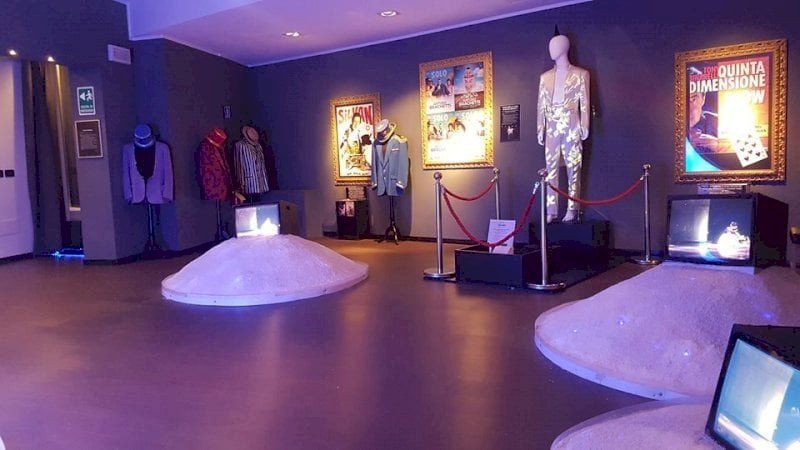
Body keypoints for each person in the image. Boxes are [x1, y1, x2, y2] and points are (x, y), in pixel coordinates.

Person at [536, 32, 591, 223]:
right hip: (552, 124)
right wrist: (540, 127)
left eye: (555, 45)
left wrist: (585, 124)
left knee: (573, 166)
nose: (552, 49)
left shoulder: (580, 74)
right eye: (551, 45)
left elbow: (584, 101)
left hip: (571, 122)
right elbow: (541, 104)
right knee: (550, 168)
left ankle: (572, 207)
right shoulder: (545, 78)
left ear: (564, 47)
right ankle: (551, 210)